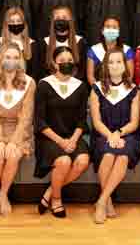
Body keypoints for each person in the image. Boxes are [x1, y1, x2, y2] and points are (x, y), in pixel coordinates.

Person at [34, 46, 90, 218]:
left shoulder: (80, 87)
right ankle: (57, 199)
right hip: (49, 137)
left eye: (70, 61)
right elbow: (40, 121)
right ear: (54, 63)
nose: (67, 63)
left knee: (82, 161)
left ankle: (50, 191)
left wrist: (73, 140)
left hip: (72, 136)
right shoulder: (44, 85)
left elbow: (82, 119)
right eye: (62, 61)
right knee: (64, 161)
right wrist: (60, 141)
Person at [89, 48, 140, 224]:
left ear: (125, 65)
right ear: (105, 65)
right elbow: (96, 122)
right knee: (108, 153)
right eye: (111, 62)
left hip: (127, 134)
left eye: (119, 61)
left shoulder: (134, 90)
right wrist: (110, 136)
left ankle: (102, 200)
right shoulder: (96, 89)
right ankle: (108, 200)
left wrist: (119, 134)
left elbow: (134, 122)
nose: (115, 65)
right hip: (102, 134)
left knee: (123, 156)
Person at [0, 42, 35, 216]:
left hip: (19, 131)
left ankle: (3, 193)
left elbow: (26, 117)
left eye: (15, 57)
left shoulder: (29, 83)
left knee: (12, 155)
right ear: (0, 59)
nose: (11, 60)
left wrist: (14, 141)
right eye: (8, 57)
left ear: (20, 60)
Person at [0, 7, 40, 80]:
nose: (15, 24)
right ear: (6, 24)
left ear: (24, 24)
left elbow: (35, 74)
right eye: (12, 21)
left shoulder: (32, 45)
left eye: (18, 21)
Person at [38, 6, 87, 80]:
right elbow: (41, 71)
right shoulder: (44, 43)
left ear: (71, 20)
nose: (61, 21)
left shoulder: (80, 42)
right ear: (52, 21)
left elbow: (82, 71)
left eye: (64, 18)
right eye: (57, 18)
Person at [86, 16, 135, 86]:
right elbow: (90, 77)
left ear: (119, 31)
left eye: (114, 27)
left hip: (122, 91)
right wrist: (100, 91)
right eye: (108, 27)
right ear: (102, 31)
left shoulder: (127, 50)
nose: (111, 30)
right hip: (100, 91)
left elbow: (129, 77)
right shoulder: (93, 50)